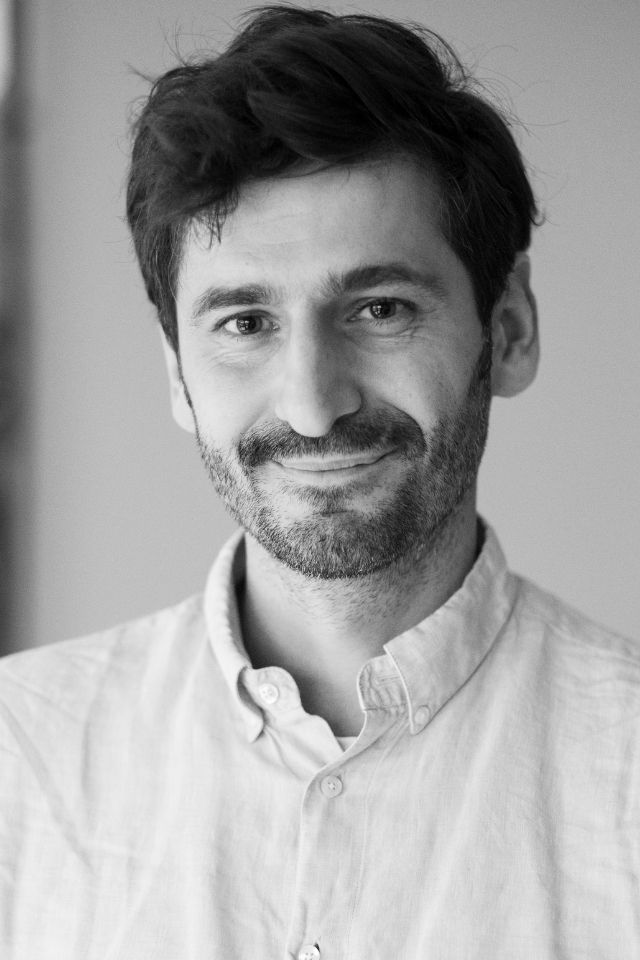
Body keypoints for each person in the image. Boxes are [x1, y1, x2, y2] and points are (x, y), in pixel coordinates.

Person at [1, 6, 638, 958]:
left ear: (508, 329)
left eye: (380, 309)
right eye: (245, 324)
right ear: (177, 375)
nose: (311, 405)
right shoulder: (17, 755)